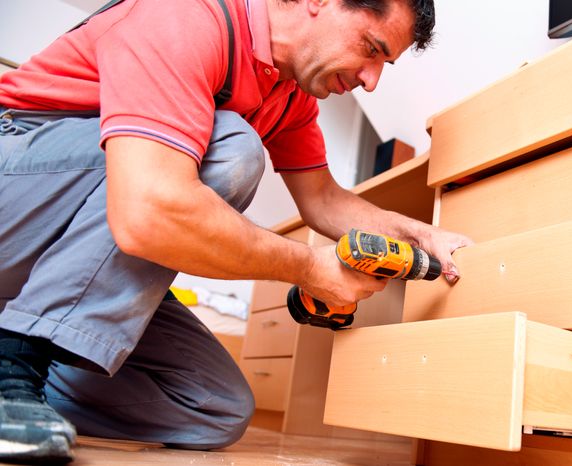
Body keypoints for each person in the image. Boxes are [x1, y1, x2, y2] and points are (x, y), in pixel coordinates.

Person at [0, 0, 472, 462]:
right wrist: (309, 267)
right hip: (18, 183)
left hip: (57, 250)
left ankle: (26, 377)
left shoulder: (291, 95)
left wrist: (423, 235)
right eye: (372, 49)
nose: (371, 80)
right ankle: (12, 366)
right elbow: (147, 210)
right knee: (229, 149)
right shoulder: (185, 14)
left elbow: (323, 200)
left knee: (213, 408)